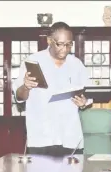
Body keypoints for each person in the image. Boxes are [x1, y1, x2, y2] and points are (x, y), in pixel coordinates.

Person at [13, 22, 91, 156]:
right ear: (49, 40)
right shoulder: (33, 61)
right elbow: (19, 97)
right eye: (60, 44)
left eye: (69, 44)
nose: (65, 49)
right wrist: (26, 86)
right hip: (42, 138)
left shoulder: (77, 64)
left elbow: (87, 94)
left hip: (70, 138)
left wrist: (83, 103)